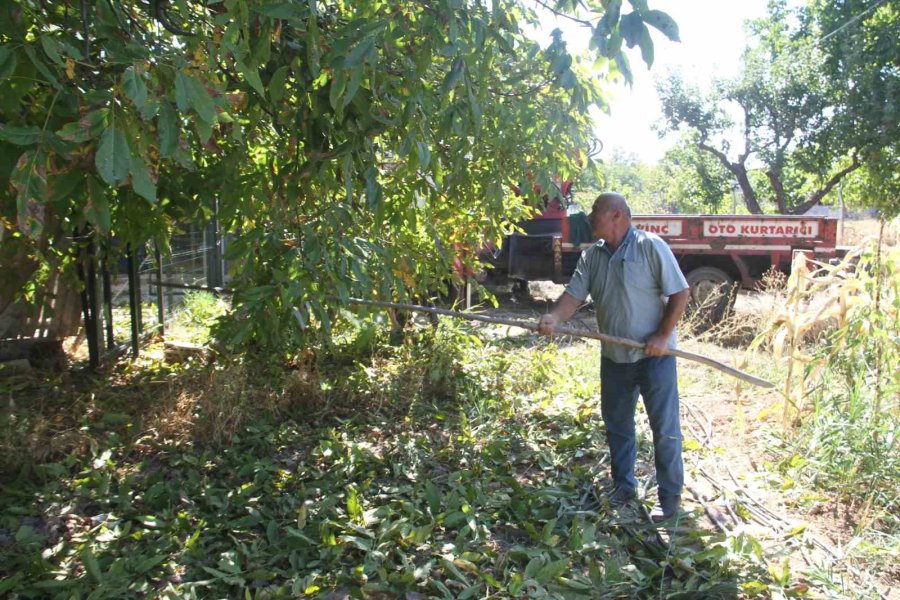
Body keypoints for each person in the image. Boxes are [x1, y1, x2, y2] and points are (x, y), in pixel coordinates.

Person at [538, 193, 690, 520]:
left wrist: (662, 335)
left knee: (664, 429)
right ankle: (623, 488)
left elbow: (681, 292)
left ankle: (671, 496)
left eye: (595, 211)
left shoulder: (651, 246)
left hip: (655, 357)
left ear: (616, 215)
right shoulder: (592, 256)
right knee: (618, 426)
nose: (590, 217)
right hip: (615, 358)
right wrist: (554, 318)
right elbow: (572, 297)